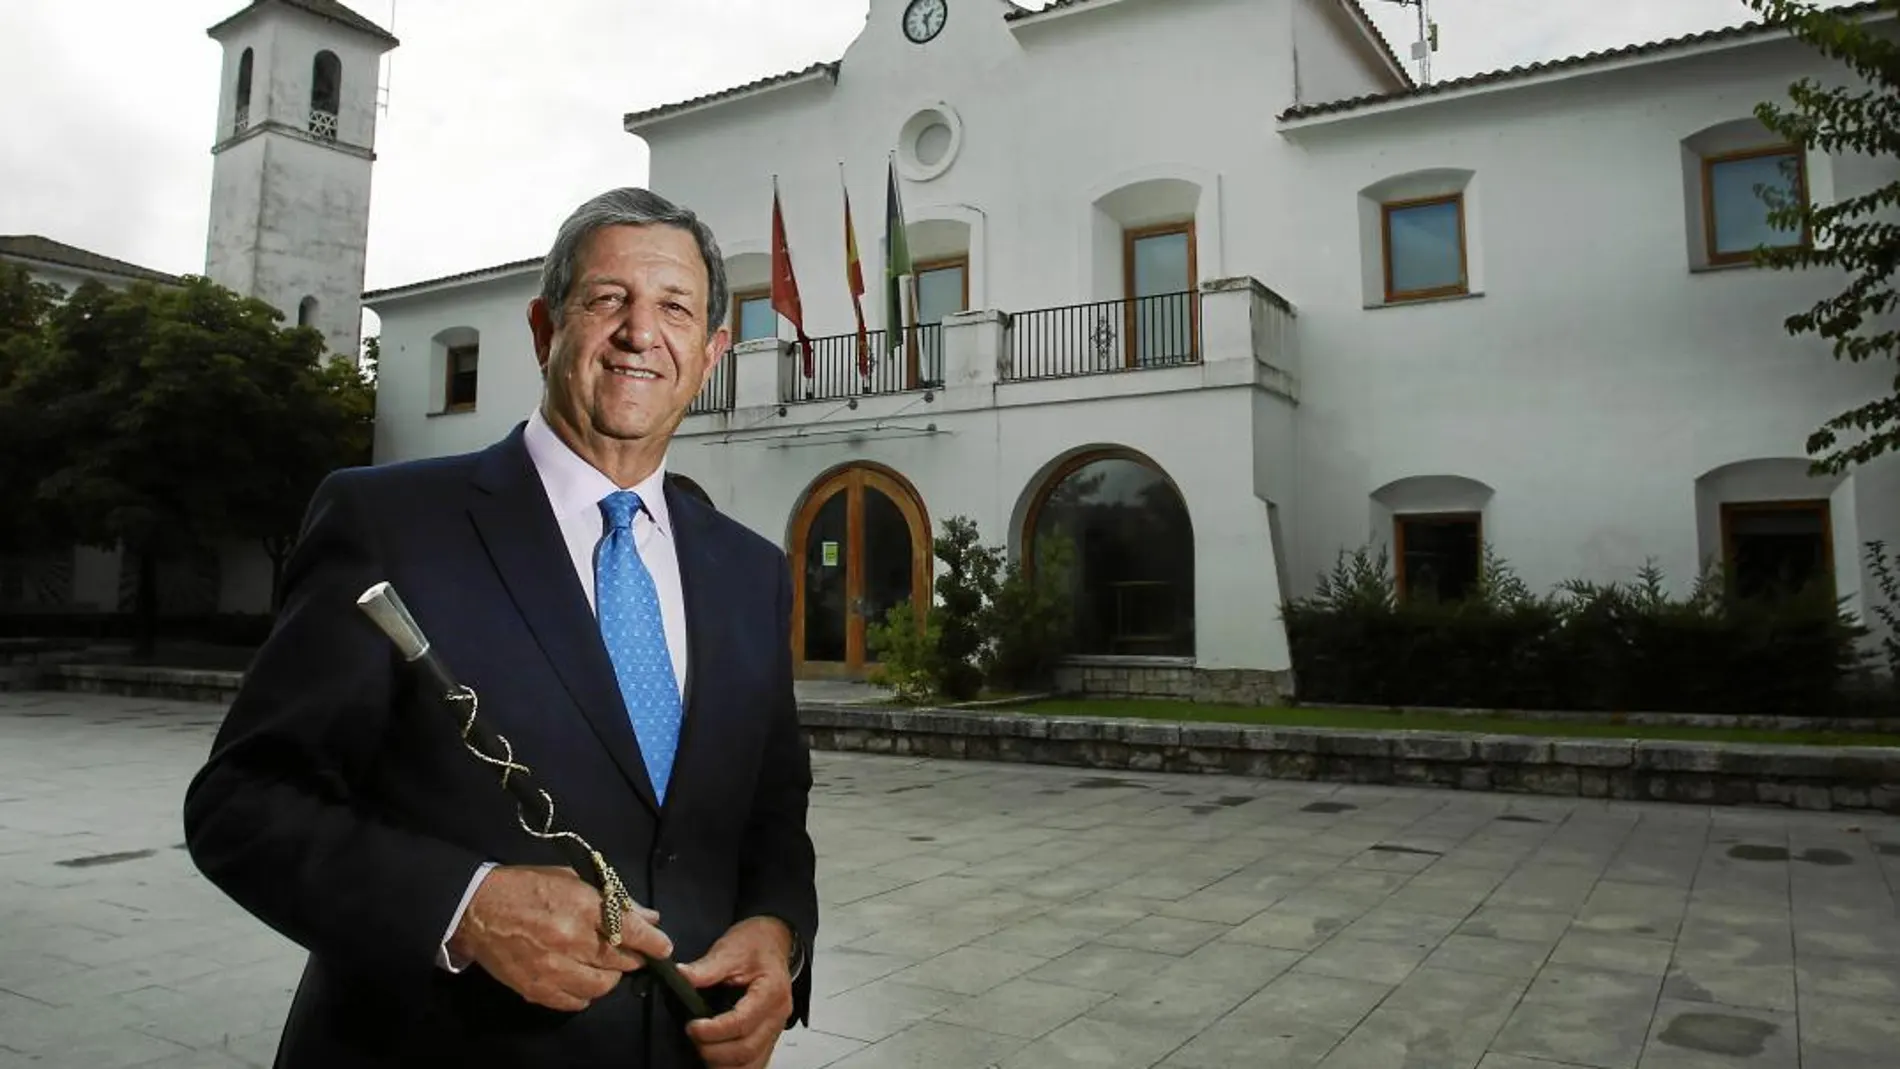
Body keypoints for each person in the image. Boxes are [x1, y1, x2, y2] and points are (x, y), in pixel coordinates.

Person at [182, 187, 818, 1068]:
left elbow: (775, 809)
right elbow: (240, 803)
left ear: (710, 352)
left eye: (675, 308)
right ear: (542, 325)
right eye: (607, 300)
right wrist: (465, 905)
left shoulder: (751, 570)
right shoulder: (389, 523)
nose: (642, 333)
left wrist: (780, 930)